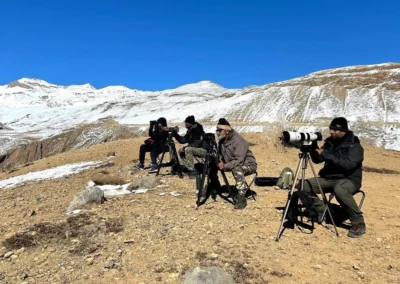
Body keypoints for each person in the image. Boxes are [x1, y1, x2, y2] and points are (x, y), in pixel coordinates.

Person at [302, 117, 366, 238]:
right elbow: (317, 160)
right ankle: (322, 211)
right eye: (331, 129)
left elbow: (348, 165)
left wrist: (325, 153)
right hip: (329, 178)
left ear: (343, 130)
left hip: (349, 179)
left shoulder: (355, 146)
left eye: (335, 129)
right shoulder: (330, 143)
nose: (331, 132)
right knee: (303, 186)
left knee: (340, 190)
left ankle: (358, 222)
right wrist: (312, 147)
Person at [216, 118, 257, 209]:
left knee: (237, 168)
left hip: (248, 165)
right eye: (217, 130)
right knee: (212, 165)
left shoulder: (238, 141)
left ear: (227, 131)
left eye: (219, 130)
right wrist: (219, 161)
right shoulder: (222, 141)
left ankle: (242, 197)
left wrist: (225, 165)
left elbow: (239, 160)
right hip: (231, 163)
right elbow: (220, 155)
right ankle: (214, 187)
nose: (217, 132)